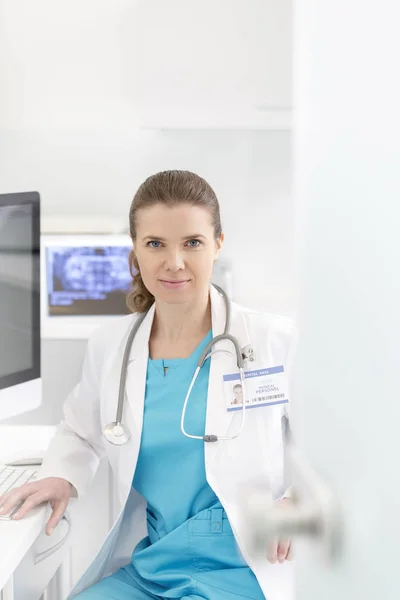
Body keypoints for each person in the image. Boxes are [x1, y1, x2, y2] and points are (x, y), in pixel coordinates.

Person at [0, 171, 296, 600]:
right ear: (135, 252)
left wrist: (297, 500)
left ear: (218, 244)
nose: (173, 262)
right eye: (155, 244)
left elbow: (336, 445)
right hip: (155, 565)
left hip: (246, 565)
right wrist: (62, 475)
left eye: (192, 243)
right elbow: (81, 431)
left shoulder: (273, 340)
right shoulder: (112, 346)